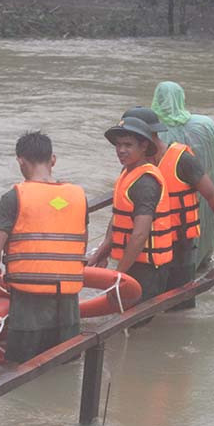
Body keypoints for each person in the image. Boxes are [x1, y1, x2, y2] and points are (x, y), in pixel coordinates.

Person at [121, 107, 214, 310]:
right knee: (142, 310)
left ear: (146, 137)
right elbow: (122, 209)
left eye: (129, 139)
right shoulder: (132, 164)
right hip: (147, 251)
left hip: (179, 247)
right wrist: (105, 251)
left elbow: (212, 195)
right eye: (121, 142)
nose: (122, 148)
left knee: (178, 309)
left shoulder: (182, 160)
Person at [0, 131, 88, 363]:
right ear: (53, 159)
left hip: (28, 308)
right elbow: (82, 243)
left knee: (21, 371)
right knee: (66, 367)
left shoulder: (14, 197)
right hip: (68, 306)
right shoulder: (78, 196)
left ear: (20, 160)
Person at [87, 116, 173, 305]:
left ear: (143, 146)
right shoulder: (127, 173)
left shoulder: (145, 183)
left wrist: (118, 276)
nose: (121, 150)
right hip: (133, 262)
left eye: (128, 145)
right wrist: (102, 253)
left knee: (137, 324)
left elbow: (140, 234)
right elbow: (117, 219)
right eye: (118, 145)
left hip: (148, 269)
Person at [151, 81, 214, 266]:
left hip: (176, 210)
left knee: (178, 259)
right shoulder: (206, 125)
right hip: (209, 199)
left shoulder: (154, 134)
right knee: (204, 248)